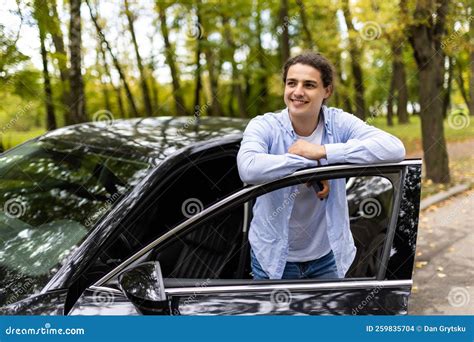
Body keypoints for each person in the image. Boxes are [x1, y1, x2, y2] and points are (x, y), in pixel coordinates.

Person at [237, 52, 405, 280]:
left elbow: (393, 148)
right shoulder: (265, 126)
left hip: (327, 258)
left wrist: (324, 152)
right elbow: (248, 167)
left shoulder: (339, 123)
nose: (298, 92)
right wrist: (311, 165)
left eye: (309, 85)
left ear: (327, 91)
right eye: (291, 83)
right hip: (273, 259)